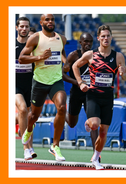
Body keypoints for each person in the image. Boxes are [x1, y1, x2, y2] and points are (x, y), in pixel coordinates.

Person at [72, 25, 126, 170]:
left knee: (103, 132)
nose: (106, 38)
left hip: (108, 97)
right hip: (93, 96)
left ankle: (96, 158)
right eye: (103, 36)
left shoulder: (118, 56)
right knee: (95, 125)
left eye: (108, 36)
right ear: (98, 38)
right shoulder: (90, 55)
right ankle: (89, 123)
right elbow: (74, 66)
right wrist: (80, 82)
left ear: (111, 37)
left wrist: (123, 73)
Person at [19, 14, 69, 161]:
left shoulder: (61, 38)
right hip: (39, 82)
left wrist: (65, 62)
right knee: (34, 116)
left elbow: (62, 52)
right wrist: (39, 57)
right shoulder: (35, 38)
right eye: (47, 19)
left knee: (61, 107)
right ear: (41, 22)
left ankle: (55, 145)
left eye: (52, 19)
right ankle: (28, 129)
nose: (50, 22)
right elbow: (22, 58)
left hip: (56, 81)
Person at [62, 32, 100, 161]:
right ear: (81, 43)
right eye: (85, 41)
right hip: (76, 93)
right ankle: (62, 112)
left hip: (90, 93)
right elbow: (63, 74)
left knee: (94, 123)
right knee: (72, 124)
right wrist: (78, 82)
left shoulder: (95, 55)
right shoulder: (74, 55)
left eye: (90, 41)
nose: (88, 44)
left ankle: (96, 155)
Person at [15, 16, 36, 160]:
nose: (24, 29)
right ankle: (25, 148)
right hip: (14, 84)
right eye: (21, 26)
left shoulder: (33, 46)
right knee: (22, 108)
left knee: (29, 117)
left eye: (26, 27)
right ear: (17, 28)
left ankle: (31, 146)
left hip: (30, 84)